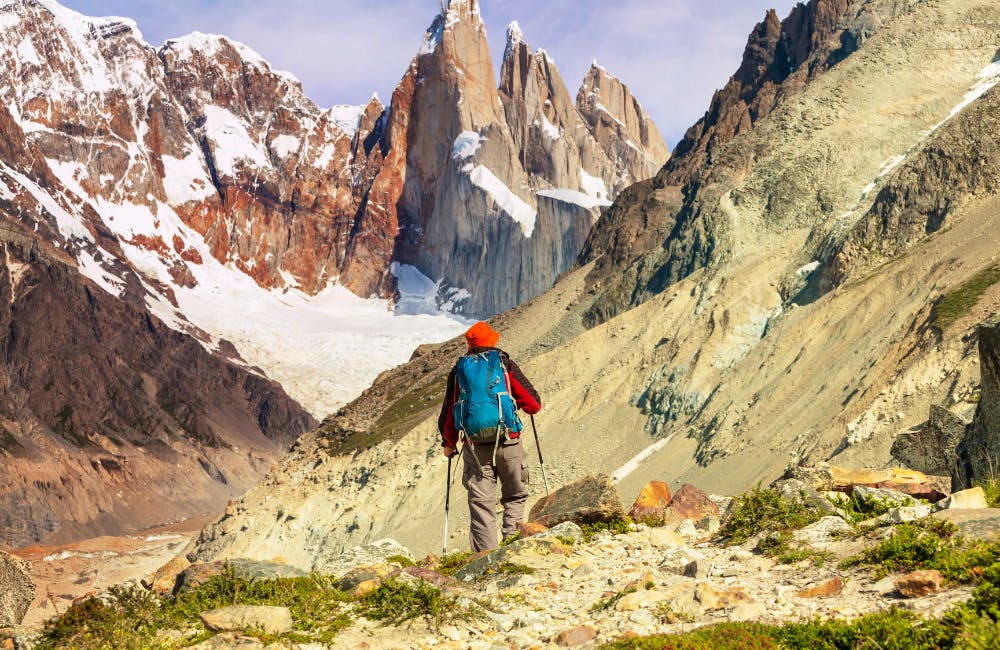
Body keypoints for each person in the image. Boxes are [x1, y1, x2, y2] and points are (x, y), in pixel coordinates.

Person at [438, 321, 542, 551]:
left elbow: (449, 411)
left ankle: (485, 559)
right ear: (491, 341)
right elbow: (533, 404)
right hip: (508, 440)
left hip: (475, 447)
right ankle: (513, 547)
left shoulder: (459, 371)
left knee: (482, 505)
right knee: (514, 496)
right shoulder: (503, 364)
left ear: (470, 345)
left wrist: (448, 443)